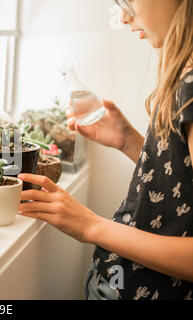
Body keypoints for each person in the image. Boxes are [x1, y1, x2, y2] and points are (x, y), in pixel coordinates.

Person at [18, 0, 193, 300]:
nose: (124, 17)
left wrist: (89, 225)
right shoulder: (184, 73)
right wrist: (129, 141)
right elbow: (182, 189)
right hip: (118, 280)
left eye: (128, 1)